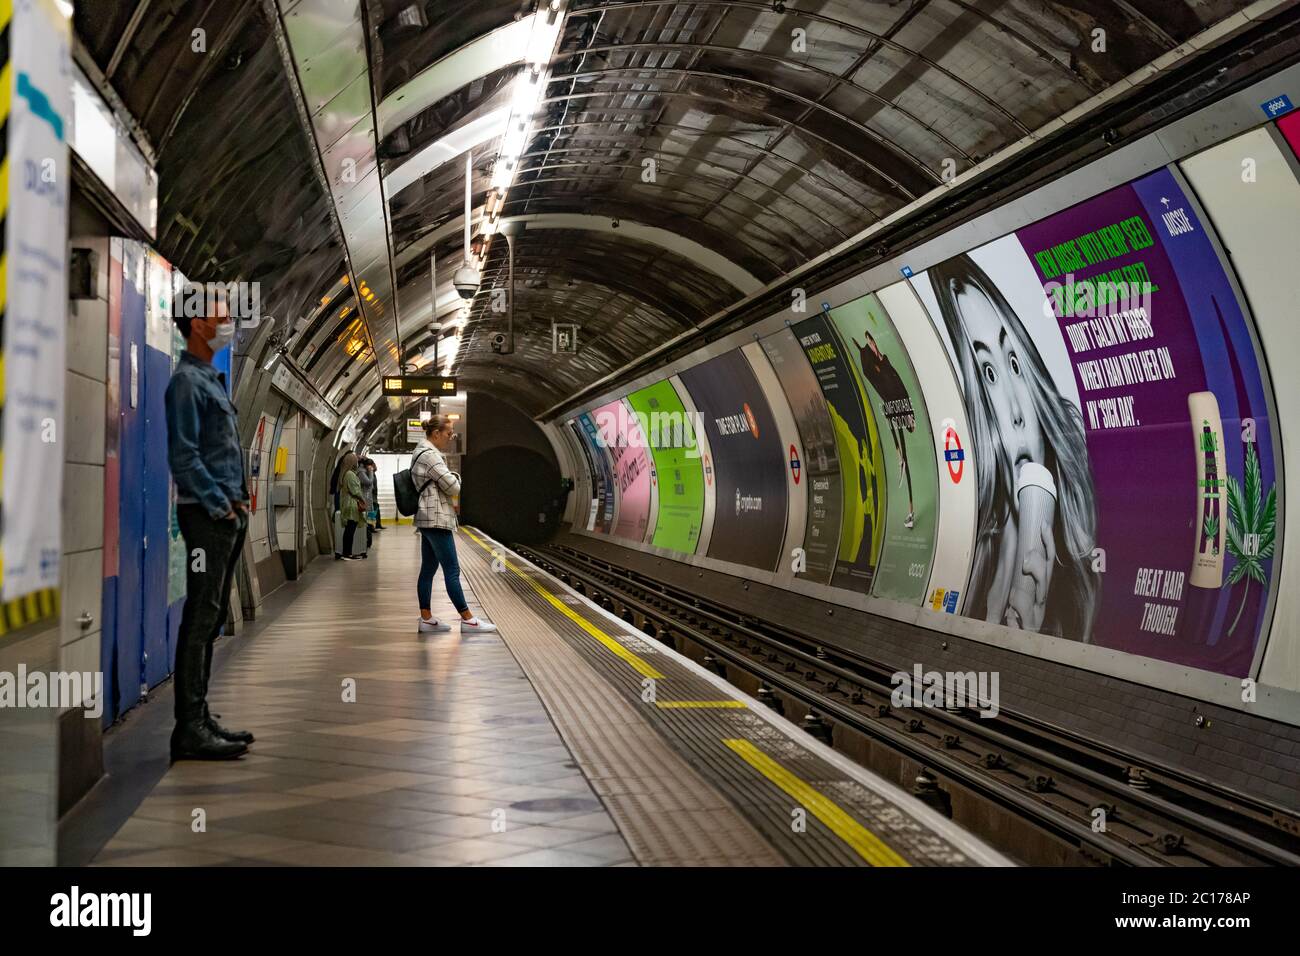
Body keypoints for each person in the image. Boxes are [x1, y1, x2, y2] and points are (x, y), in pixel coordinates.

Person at [928, 254, 1097, 641]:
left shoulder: (1073, 579)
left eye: (1014, 365)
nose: (1017, 412)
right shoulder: (966, 559)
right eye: (988, 374)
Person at [164, 294, 254, 761]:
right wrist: (222, 506)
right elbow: (183, 456)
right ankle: (189, 729)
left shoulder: (209, 380)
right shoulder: (185, 383)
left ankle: (200, 717)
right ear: (197, 323)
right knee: (200, 618)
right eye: (221, 315)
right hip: (206, 516)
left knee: (211, 616)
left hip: (223, 515)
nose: (229, 323)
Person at [412, 416, 497, 634]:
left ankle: (427, 618)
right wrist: (456, 476)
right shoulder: (431, 456)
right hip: (437, 518)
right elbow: (453, 487)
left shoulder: (420, 452)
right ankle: (468, 619)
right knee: (452, 569)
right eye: (449, 433)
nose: (451, 438)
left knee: (428, 569)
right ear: (436, 433)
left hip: (426, 518)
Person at [854, 331, 916, 529]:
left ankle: (910, 508)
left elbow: (899, 387)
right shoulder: (876, 369)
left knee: (904, 454)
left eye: (872, 343)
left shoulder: (885, 366)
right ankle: (910, 509)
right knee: (902, 454)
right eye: (870, 344)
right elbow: (890, 392)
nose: (873, 345)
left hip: (899, 406)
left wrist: (908, 414)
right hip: (895, 406)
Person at [338, 451, 367, 561]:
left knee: (349, 529)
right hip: (352, 505)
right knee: (350, 530)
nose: (357, 462)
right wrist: (363, 500)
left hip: (347, 504)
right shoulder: (350, 474)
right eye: (356, 461)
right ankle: (346, 553)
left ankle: (347, 553)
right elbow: (356, 491)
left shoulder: (346, 474)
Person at [368, 458, 385, 531]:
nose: (375, 466)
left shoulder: (373, 474)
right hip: (371, 495)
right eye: (374, 465)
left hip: (374, 495)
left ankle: (377, 524)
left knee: (376, 509)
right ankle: (372, 526)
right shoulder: (370, 474)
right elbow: (370, 483)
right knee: (373, 511)